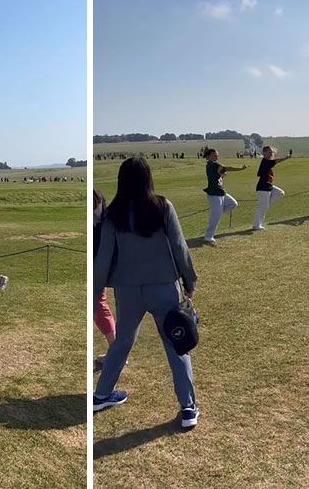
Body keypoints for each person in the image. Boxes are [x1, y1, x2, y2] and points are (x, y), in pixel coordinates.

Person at [93, 158, 199, 429]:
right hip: (163, 287)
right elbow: (179, 247)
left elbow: (103, 259)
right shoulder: (163, 207)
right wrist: (189, 280)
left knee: (121, 343)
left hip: (127, 291)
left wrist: (95, 293)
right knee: (176, 343)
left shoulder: (113, 214)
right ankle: (188, 407)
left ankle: (101, 395)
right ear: (148, 178)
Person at [203, 148, 247, 243]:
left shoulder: (214, 166)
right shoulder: (213, 165)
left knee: (233, 204)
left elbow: (218, 176)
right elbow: (228, 168)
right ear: (208, 157)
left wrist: (222, 176)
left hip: (221, 192)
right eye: (214, 155)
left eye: (217, 155)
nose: (216, 157)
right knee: (215, 216)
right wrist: (241, 168)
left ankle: (217, 212)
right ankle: (208, 236)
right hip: (214, 194)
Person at [93, 190, 116, 366]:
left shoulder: (96, 200)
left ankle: (116, 352)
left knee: (99, 307)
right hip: (98, 264)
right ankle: (115, 351)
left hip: (97, 266)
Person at [252, 146, 291, 230]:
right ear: (264, 153)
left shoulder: (267, 162)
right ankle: (256, 225)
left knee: (280, 193)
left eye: (272, 152)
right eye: (269, 152)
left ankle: (266, 203)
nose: (271, 154)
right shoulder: (265, 161)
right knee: (262, 208)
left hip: (268, 185)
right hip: (263, 187)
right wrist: (286, 158)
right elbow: (276, 161)